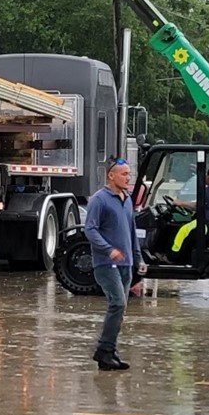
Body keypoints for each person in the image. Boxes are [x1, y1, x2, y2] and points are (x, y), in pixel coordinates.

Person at [84, 158, 146, 371]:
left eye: (129, 174)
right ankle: (104, 350)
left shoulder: (127, 199)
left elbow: (131, 232)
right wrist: (109, 250)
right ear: (111, 176)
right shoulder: (99, 200)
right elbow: (90, 229)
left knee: (121, 308)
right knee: (117, 303)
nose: (128, 178)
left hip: (126, 263)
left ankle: (109, 353)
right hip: (105, 263)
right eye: (124, 174)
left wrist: (138, 260)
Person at [169, 166, 209, 255]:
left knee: (184, 230)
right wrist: (185, 203)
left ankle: (172, 256)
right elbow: (200, 203)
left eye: (206, 175)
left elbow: (197, 206)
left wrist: (180, 203)